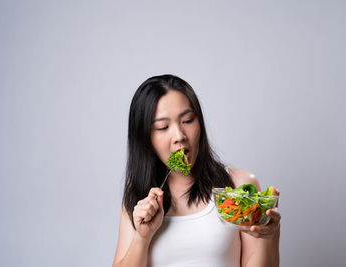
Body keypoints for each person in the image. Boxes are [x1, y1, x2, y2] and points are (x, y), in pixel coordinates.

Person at [112, 74, 281, 267]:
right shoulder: (137, 200)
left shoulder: (239, 186)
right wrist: (141, 238)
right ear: (145, 138)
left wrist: (268, 234)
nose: (179, 136)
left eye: (188, 120)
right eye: (163, 127)